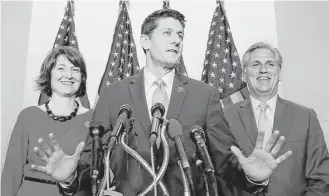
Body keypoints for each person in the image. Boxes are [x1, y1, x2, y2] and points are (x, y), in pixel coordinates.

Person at [32, 10, 292, 196]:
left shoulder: (205, 95)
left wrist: (252, 178)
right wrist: (70, 179)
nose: (177, 40)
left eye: (180, 34)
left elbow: (223, 160)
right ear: (145, 41)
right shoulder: (114, 93)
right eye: (167, 33)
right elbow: (95, 157)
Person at [224, 42, 329, 196]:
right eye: (256, 64)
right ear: (244, 74)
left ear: (279, 72)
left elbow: (321, 178)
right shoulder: (225, 116)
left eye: (270, 64)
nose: (263, 70)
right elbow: (219, 175)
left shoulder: (305, 117)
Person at [1, 46, 92, 196]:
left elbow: (97, 174)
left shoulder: (93, 119)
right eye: (61, 68)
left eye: (75, 69)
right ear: (48, 74)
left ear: (82, 77)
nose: (68, 75)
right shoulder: (28, 116)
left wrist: (69, 177)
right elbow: (12, 171)